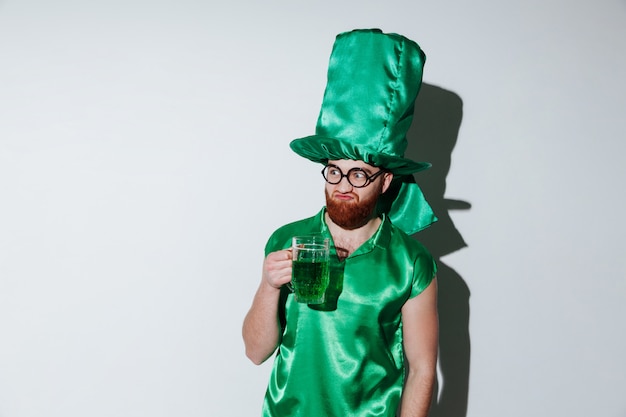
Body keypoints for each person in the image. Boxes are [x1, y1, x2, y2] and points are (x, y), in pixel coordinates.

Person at [242, 28, 439, 417]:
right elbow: (255, 351)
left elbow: (422, 370)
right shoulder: (288, 240)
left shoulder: (411, 262)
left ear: (385, 180)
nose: (343, 186)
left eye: (359, 174)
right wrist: (269, 287)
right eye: (334, 171)